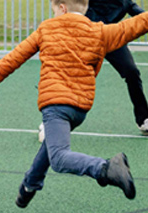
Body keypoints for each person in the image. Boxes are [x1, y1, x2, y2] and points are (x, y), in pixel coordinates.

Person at [0, 0, 148, 208]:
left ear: (62, 8)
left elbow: (13, 59)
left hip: (56, 106)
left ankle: (106, 168)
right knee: (51, 143)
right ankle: (29, 185)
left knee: (58, 157)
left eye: (54, 10)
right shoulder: (99, 31)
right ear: (84, 8)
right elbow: (136, 24)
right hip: (80, 109)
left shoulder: (46, 29)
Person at [39, 0, 148, 142]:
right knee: (70, 76)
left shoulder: (125, 2)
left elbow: (142, 17)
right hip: (86, 39)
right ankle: (50, 122)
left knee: (132, 72)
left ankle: (143, 119)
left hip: (109, 38)